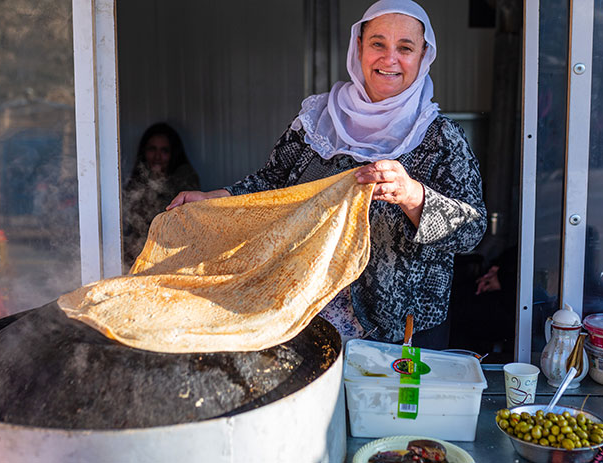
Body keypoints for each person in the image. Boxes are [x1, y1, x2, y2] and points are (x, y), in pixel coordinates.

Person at [167, 0, 486, 350]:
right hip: (305, 317)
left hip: (399, 335)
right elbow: (272, 185)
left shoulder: (440, 137)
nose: (390, 58)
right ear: (359, 46)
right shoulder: (317, 121)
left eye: (405, 48)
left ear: (423, 56)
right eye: (378, 43)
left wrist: (413, 196)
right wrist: (216, 198)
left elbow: (471, 231)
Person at [123, 122, 200, 269]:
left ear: (173, 154)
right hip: (139, 253)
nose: (157, 156)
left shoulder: (185, 179)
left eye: (164, 151)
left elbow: (181, 220)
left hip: (174, 255)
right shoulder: (137, 179)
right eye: (152, 149)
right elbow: (134, 222)